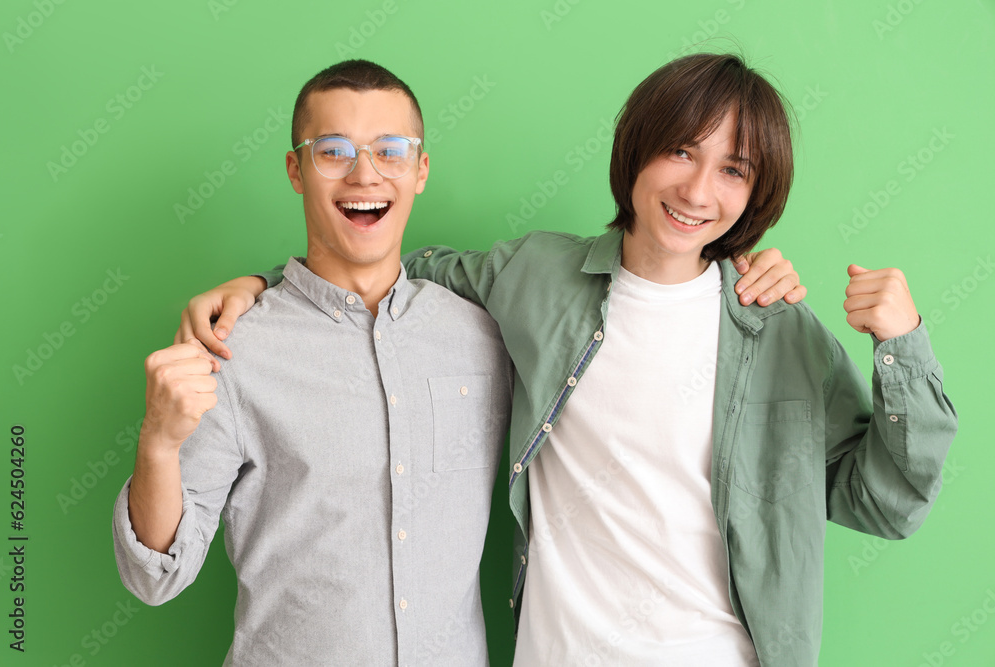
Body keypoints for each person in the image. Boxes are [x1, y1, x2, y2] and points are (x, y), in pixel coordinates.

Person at [178, 54, 926, 667]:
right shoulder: (535, 277)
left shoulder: (777, 324)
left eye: (735, 169)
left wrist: (902, 345)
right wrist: (262, 288)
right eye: (680, 151)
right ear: (637, 151)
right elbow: (383, 273)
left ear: (756, 193)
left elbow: (885, 501)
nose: (699, 190)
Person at [112, 61, 516, 666]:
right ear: (296, 171)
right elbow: (156, 576)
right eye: (333, 150)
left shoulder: (485, 336)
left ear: (421, 169)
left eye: (391, 150)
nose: (365, 173)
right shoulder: (231, 348)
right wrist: (157, 445)